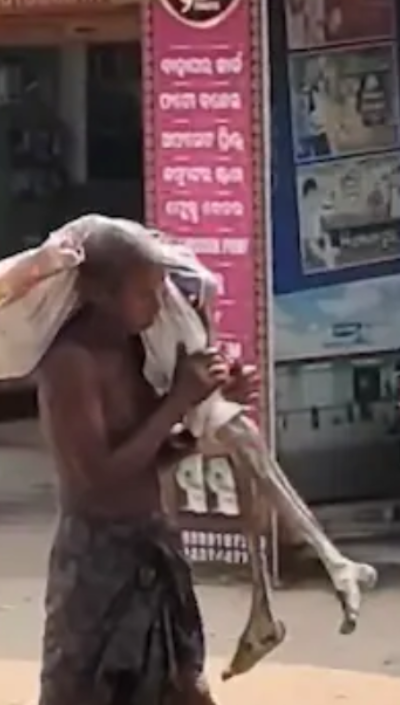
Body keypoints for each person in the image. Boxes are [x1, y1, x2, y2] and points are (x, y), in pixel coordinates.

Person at [34, 227, 259, 705]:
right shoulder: (70, 362)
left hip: (152, 544)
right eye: (143, 294)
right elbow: (98, 475)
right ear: (98, 292)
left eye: (159, 291)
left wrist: (209, 410)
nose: (157, 307)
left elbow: (152, 455)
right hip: (96, 560)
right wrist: (178, 399)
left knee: (181, 685)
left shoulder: (134, 349)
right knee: (87, 691)